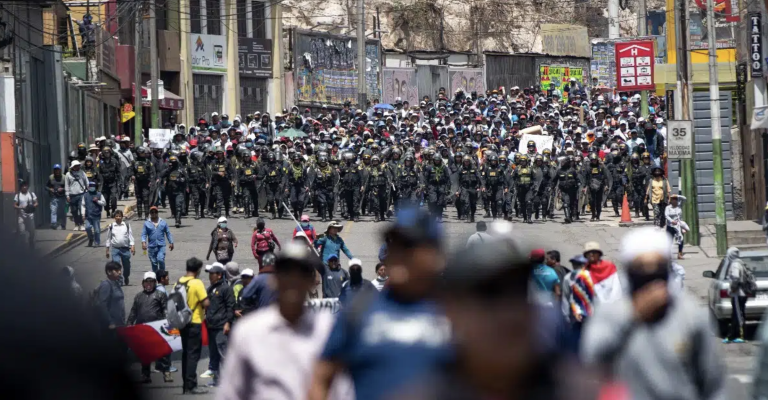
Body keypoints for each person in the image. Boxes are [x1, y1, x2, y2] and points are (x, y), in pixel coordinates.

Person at [392, 239, 599, 400]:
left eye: (518, 291)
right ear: (450, 310)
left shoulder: (587, 392)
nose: (508, 311)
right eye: (489, 295)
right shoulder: (420, 394)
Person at [309, 207, 451, 400]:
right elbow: (321, 377)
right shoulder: (359, 312)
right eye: (394, 246)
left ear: (434, 255)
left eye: (409, 246)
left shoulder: (455, 313)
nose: (398, 253)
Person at [581, 227, 726, 400]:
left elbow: (712, 383)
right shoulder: (610, 313)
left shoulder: (690, 314)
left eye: (657, 267)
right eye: (640, 268)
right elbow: (591, 358)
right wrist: (633, 314)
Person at [217, 243, 354, 400]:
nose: (293, 279)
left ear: (312, 282)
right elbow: (231, 393)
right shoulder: (248, 332)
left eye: (301, 272)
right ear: (273, 280)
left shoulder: (328, 331)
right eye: (286, 271)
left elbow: (342, 391)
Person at [127, 271, 172, 383]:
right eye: (146, 282)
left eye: (151, 282)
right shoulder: (138, 296)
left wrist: (167, 322)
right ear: (143, 283)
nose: (149, 284)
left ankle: (166, 372)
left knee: (163, 352)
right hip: (143, 328)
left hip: (157, 328)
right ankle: (145, 374)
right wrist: (129, 323)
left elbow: (165, 309)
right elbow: (133, 311)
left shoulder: (160, 295)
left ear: (155, 283)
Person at [177, 257, 210, 395]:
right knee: (193, 355)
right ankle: (191, 385)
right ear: (197, 270)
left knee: (185, 353)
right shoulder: (197, 283)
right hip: (194, 321)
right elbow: (205, 302)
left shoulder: (179, 282)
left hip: (182, 322)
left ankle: (185, 384)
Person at [569, 241, 621, 325]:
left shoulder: (610, 268)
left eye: (593, 252)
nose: (591, 255)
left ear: (599, 254)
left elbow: (616, 290)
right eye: (588, 253)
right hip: (592, 316)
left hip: (610, 312)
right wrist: (578, 311)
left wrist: (614, 309)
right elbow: (577, 294)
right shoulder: (583, 274)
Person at [205, 263, 235, 387]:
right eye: (210, 274)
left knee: (224, 354)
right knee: (213, 355)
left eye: (212, 274)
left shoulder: (226, 289)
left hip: (221, 326)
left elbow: (230, 306)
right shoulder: (210, 289)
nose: (210, 276)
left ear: (219, 275)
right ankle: (217, 380)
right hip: (211, 326)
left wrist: (228, 322)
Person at [723, 247, 748, 344]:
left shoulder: (735, 264)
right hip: (740, 293)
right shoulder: (740, 262)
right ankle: (732, 335)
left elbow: (736, 277)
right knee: (736, 315)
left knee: (738, 314)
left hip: (738, 293)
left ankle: (741, 335)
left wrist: (733, 288)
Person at [105, 210, 135, 286]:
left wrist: (132, 246)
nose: (118, 218)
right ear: (114, 217)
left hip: (125, 249)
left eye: (119, 216)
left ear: (122, 217)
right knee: (116, 265)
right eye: (116, 216)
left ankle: (126, 276)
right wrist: (107, 250)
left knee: (127, 266)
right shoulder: (111, 226)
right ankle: (119, 281)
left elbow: (130, 236)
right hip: (115, 249)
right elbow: (108, 238)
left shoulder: (126, 225)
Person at [141, 206, 175, 272]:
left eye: (155, 212)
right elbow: (144, 234)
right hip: (151, 246)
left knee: (160, 259)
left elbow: (168, 233)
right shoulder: (147, 223)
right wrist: (143, 242)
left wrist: (171, 242)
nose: (154, 214)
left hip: (161, 245)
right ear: (150, 213)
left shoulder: (163, 222)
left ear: (157, 213)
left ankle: (162, 275)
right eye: (152, 212)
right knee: (154, 263)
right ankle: (156, 277)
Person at [96, 261, 126, 329]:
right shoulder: (106, 285)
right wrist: (110, 322)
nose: (120, 272)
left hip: (119, 323)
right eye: (117, 270)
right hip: (111, 326)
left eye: (120, 270)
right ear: (109, 272)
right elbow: (102, 305)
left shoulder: (115, 283)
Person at [81, 181, 106, 248]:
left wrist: (97, 201)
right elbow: (83, 205)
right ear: (88, 187)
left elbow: (104, 203)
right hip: (88, 215)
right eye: (90, 186)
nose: (92, 187)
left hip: (96, 215)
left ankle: (97, 242)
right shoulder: (85, 195)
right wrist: (83, 214)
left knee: (97, 230)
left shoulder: (99, 194)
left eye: (93, 186)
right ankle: (91, 238)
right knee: (87, 228)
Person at [65, 159, 89, 231]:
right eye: (75, 166)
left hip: (81, 194)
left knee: (81, 209)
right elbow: (67, 185)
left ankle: (81, 224)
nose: (77, 167)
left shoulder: (82, 173)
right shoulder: (68, 174)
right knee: (74, 211)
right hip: (72, 195)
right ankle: (76, 224)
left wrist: (88, 190)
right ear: (72, 167)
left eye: (78, 166)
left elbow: (87, 182)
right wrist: (67, 195)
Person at [14, 180, 38, 248]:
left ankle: (31, 241)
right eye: (23, 186)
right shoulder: (18, 195)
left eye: (26, 186)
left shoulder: (31, 194)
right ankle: (23, 246)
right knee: (22, 232)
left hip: (30, 216)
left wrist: (32, 206)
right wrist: (21, 207)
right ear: (21, 187)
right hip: (21, 216)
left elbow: (36, 203)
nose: (24, 187)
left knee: (32, 232)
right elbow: (15, 205)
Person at [645, 164, 670, 228]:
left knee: (663, 214)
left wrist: (669, 198)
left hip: (663, 199)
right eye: (656, 171)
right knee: (656, 213)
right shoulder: (651, 181)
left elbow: (668, 190)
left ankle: (662, 225)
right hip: (654, 199)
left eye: (659, 171)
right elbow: (648, 190)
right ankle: (656, 226)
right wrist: (646, 198)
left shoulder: (664, 180)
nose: (657, 172)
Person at [665, 194, 688, 259]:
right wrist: (672, 221)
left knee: (680, 239)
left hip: (678, 226)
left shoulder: (679, 206)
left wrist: (677, 196)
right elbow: (666, 215)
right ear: (671, 201)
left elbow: (684, 198)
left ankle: (680, 253)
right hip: (670, 226)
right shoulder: (668, 208)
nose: (675, 201)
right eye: (673, 199)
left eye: (676, 200)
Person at [47, 164, 67, 230]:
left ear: (60, 170)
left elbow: (68, 187)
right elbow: (46, 186)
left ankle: (63, 225)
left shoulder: (64, 177)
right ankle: (53, 224)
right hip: (53, 197)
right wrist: (50, 189)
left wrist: (62, 189)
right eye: (56, 170)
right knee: (53, 211)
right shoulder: (51, 177)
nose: (57, 171)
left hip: (62, 197)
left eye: (58, 170)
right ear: (54, 170)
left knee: (62, 212)